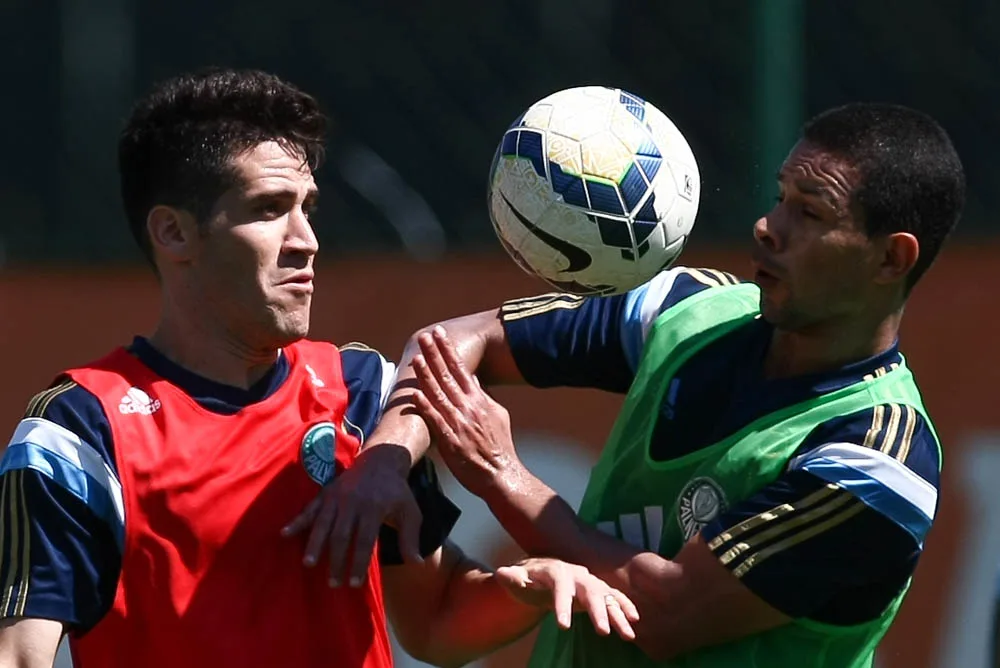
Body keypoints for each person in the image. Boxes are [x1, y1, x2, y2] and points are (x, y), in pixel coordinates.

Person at [0, 68, 640, 668]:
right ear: (173, 234)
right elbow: (22, 655)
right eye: (270, 207)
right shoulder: (80, 431)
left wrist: (526, 588)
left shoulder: (365, 397)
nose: (305, 238)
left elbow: (436, 616)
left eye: (308, 207)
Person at [293, 102, 965, 666]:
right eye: (779, 196)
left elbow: (666, 611)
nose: (769, 225)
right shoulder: (689, 310)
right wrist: (386, 459)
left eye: (811, 213)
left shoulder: (877, 460)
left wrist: (501, 474)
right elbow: (454, 343)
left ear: (891, 257)